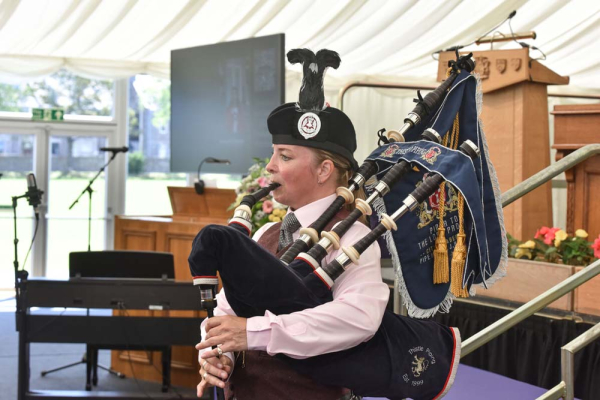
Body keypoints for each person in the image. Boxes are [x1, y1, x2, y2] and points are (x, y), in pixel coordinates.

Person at [194, 49, 389, 400]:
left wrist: (251, 332)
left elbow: (357, 318)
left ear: (324, 170)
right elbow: (226, 310)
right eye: (273, 154)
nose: (270, 166)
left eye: (284, 156)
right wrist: (218, 354)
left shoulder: (355, 238)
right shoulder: (265, 233)